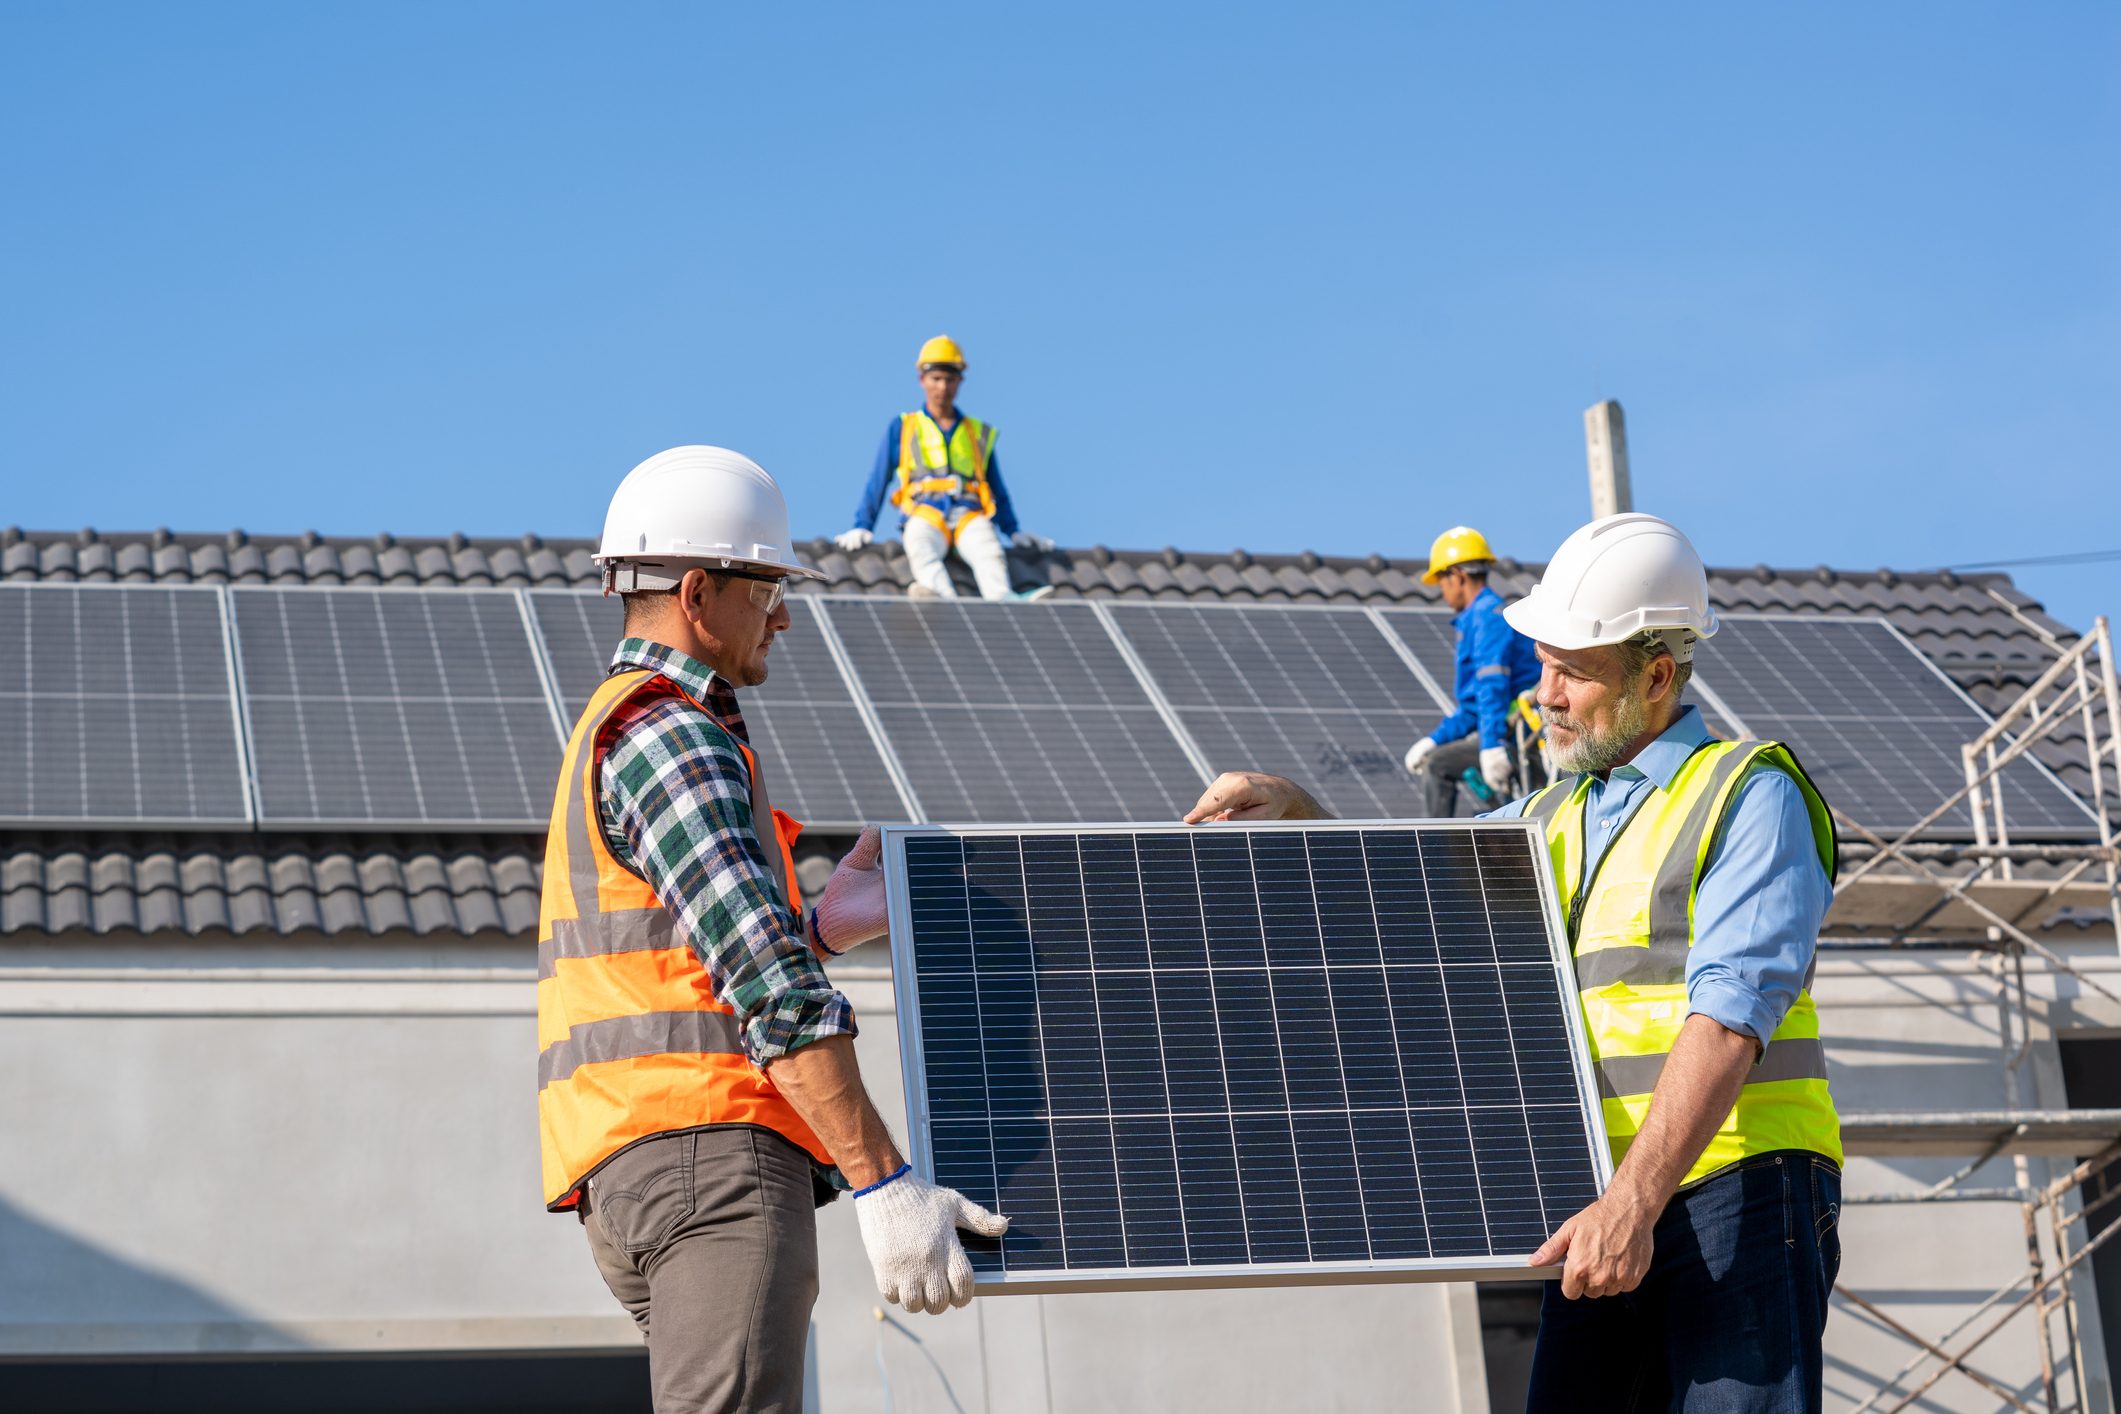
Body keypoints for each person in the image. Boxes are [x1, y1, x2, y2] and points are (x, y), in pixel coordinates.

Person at [1184, 512, 1842, 1414]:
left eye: (1573, 671)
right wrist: (1296, 809)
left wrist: (1632, 1203)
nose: (1545, 695)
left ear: (1656, 676)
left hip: (1737, 1186)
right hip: (1602, 1203)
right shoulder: (1546, 817)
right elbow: (1402, 896)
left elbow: (1728, 1020)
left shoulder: (1747, 792)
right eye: (1542, 666)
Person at [540, 445, 1006, 1413]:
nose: (784, 615)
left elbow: (691, 955)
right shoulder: (672, 733)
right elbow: (768, 985)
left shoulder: (612, 726)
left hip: (632, 1165)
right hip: (709, 1158)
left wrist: (816, 928)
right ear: (698, 593)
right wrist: (884, 1183)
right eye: (768, 589)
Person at [833, 335, 1055, 601]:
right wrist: (863, 525)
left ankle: (1003, 600)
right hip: (925, 511)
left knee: (988, 550)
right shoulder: (905, 427)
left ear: (960, 381)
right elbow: (878, 479)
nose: (943, 387)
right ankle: (942, 600)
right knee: (919, 544)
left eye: (949, 380)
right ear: (922, 380)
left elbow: (996, 486)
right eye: (936, 379)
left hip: (969, 513)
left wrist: (1013, 530)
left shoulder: (976, 432)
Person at [1402, 525, 1542, 815]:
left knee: (1439, 765)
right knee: (1440, 757)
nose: (1442, 592)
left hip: (1524, 739)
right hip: (1505, 733)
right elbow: (1472, 709)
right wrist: (1434, 739)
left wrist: (1491, 745)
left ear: (1457, 576)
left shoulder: (1486, 618)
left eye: (1442, 582)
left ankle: (1434, 843)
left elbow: (1492, 687)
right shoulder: (1477, 618)